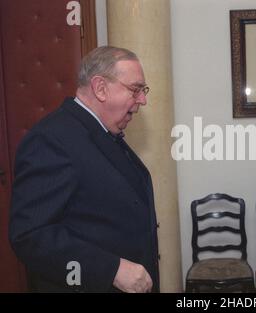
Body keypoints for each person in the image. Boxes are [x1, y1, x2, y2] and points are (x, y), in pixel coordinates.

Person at [9, 46, 159, 293]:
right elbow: (30, 236)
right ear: (100, 88)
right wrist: (111, 269)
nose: (143, 100)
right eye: (136, 89)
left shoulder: (99, 130)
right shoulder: (51, 139)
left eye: (143, 91)